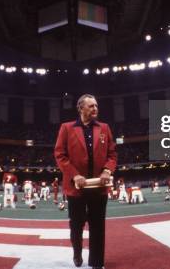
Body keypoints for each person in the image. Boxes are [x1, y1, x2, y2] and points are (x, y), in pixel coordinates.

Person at [54, 94, 117, 269]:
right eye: (91, 106)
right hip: (76, 187)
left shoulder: (104, 128)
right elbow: (60, 155)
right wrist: (75, 175)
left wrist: (107, 170)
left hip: (98, 186)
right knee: (76, 226)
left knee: (98, 225)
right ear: (81, 108)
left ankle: (97, 262)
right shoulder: (66, 128)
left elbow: (112, 154)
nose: (95, 108)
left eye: (96, 105)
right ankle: (77, 252)